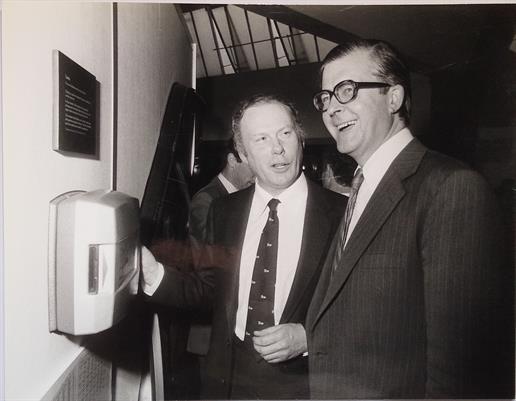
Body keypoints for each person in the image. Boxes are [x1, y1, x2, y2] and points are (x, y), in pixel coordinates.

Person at [306, 38, 514, 398]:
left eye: (347, 90)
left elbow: (460, 375)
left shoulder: (451, 188)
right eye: (325, 98)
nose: (331, 109)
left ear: (394, 98)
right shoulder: (361, 189)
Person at [141, 94, 346, 399]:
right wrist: (153, 274)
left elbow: (368, 309)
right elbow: (209, 289)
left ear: (300, 139)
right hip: (228, 380)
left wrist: (309, 338)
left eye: (285, 133)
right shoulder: (224, 210)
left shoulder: (343, 213)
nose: (278, 148)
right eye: (261, 139)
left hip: (305, 384)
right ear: (243, 153)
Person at [189, 138, 254, 253]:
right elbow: (207, 256)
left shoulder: (248, 195)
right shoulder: (206, 200)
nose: (258, 176)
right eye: (253, 167)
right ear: (232, 160)